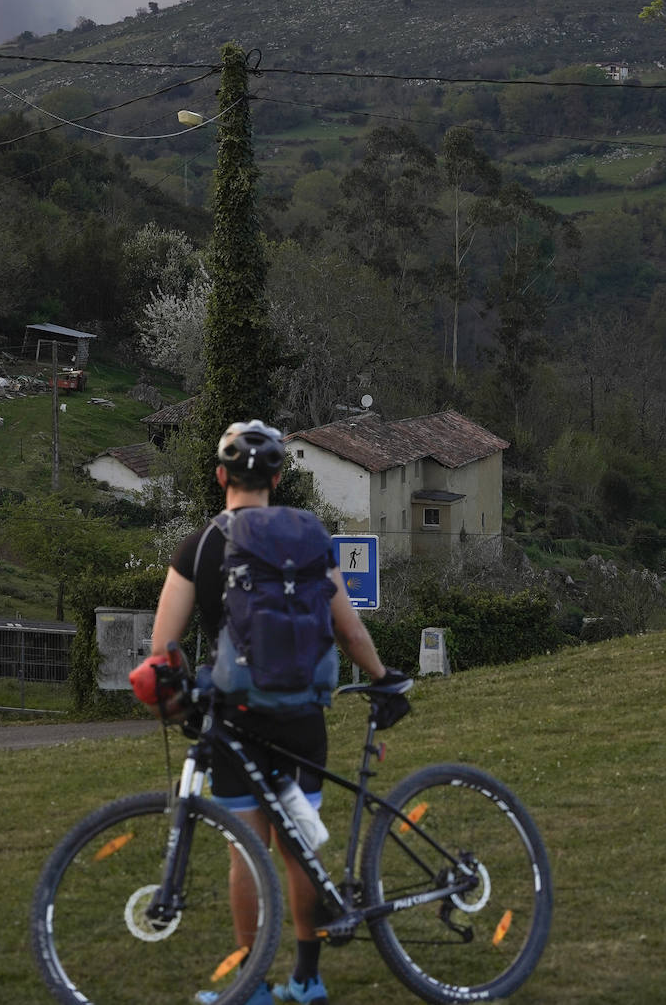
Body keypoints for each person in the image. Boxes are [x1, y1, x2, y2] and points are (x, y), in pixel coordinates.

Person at [150, 419, 402, 1005]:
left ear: (220, 476)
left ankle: (252, 986)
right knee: (300, 850)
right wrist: (384, 679)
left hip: (235, 716)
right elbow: (348, 625)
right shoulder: (308, 538)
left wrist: (180, 704)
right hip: (302, 718)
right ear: (279, 478)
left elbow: (164, 647)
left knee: (248, 851)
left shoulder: (202, 544)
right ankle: (308, 980)